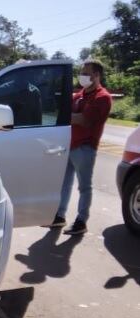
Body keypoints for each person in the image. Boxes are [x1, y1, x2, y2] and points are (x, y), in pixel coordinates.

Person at [45, 59, 112, 235]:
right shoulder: (80, 94)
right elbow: (65, 111)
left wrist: (66, 115)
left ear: (97, 75)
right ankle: (59, 216)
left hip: (85, 148)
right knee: (64, 184)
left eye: (86, 73)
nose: (82, 76)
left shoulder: (102, 97)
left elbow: (84, 120)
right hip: (69, 145)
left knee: (84, 187)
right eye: (81, 73)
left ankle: (81, 221)